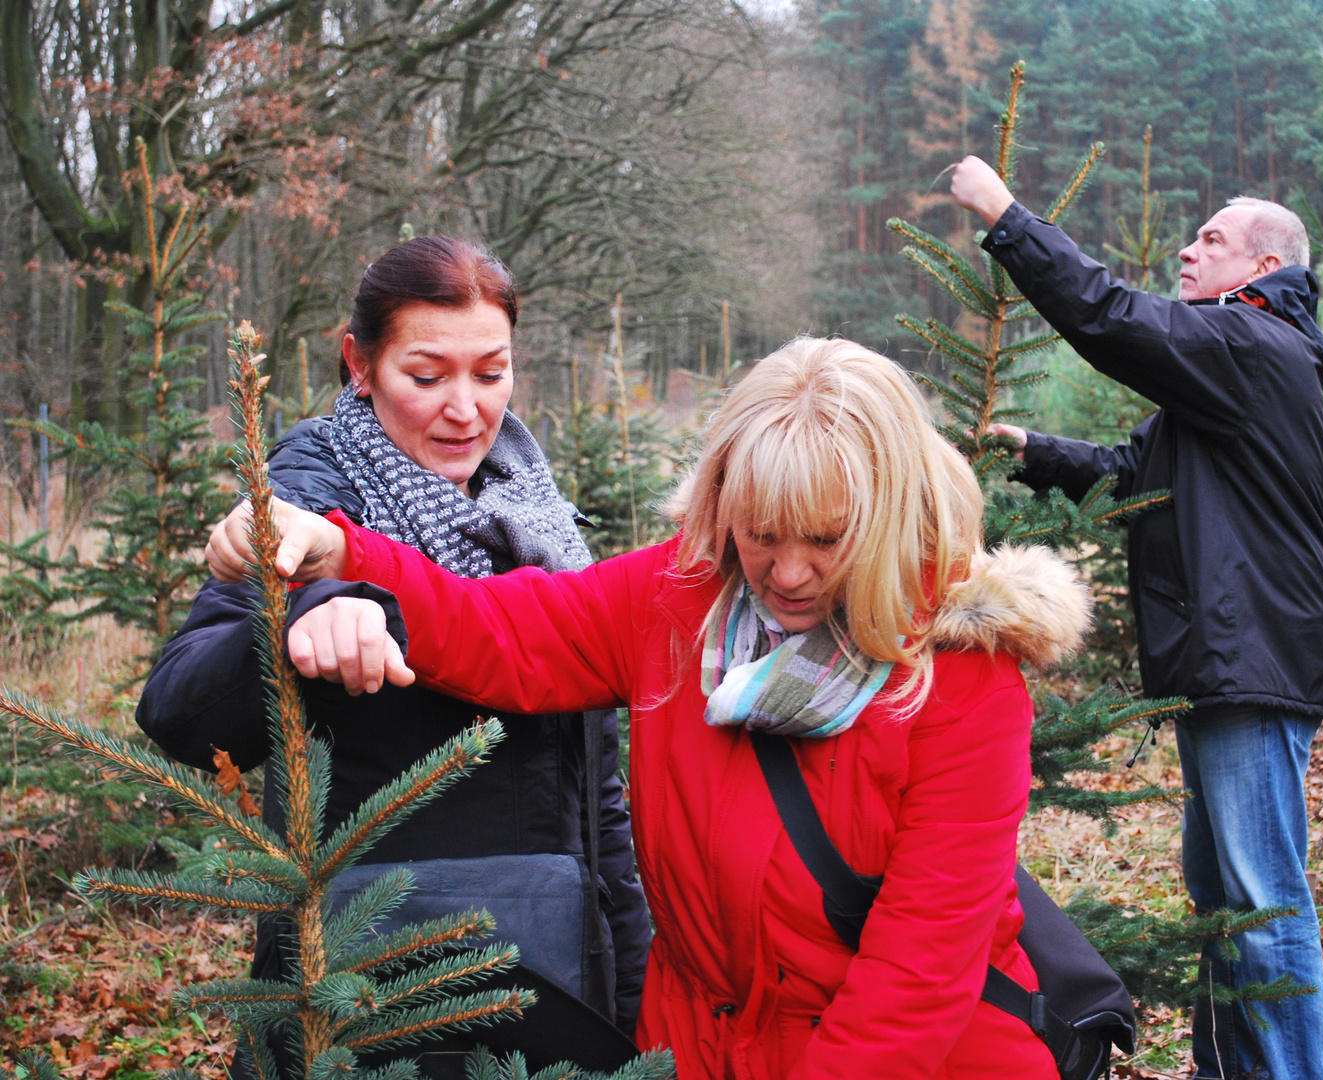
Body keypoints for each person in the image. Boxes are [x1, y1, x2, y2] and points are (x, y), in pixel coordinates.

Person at [205, 336, 1095, 1080]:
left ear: (890, 514)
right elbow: (506, 632)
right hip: (700, 1047)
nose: (785, 573)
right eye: (760, 532)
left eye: (827, 540)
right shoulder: (680, 598)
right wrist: (337, 549)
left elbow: (918, 973)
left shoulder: (959, 679)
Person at [137, 237, 652, 1073]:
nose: (464, 410)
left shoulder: (532, 505)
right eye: (426, 375)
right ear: (359, 363)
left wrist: (628, 987)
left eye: (490, 373)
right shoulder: (307, 497)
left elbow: (595, 790)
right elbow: (178, 711)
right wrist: (311, 610)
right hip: (370, 991)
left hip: (553, 977)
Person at [949, 156, 1323, 1080]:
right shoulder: (1231, 367)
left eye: (1209, 239)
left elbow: (1108, 318)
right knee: (1223, 896)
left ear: (1261, 267)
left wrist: (1008, 219)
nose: (1185, 248)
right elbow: (1135, 477)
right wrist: (1036, 451)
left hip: (1251, 657)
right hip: (1229, 657)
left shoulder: (1251, 345)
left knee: (1258, 899)